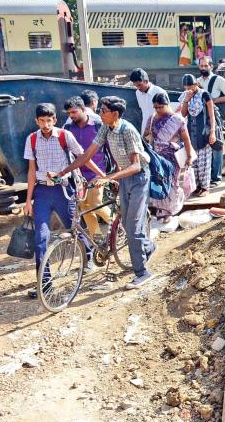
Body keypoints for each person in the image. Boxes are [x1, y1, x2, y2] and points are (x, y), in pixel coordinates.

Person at [54, 96, 156, 290]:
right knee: (126, 223)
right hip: (124, 178)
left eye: (103, 111)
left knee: (133, 229)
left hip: (139, 179)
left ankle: (142, 272)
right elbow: (86, 155)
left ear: (114, 114)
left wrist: (109, 178)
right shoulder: (105, 128)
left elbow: (135, 166)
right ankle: (148, 247)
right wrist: (63, 172)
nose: (99, 113)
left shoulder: (128, 131)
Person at [24, 103, 100, 298]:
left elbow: (83, 157)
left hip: (64, 191)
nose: (46, 124)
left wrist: (103, 175)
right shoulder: (32, 139)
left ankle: (89, 256)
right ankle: (45, 283)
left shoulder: (65, 136)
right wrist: (28, 201)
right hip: (41, 192)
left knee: (74, 229)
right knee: (40, 239)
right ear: (36, 121)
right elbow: (31, 171)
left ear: (55, 120)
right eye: (42, 121)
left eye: (49, 120)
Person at [63, 96, 111, 240]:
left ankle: (117, 225)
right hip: (78, 175)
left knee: (95, 202)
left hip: (98, 172)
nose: (71, 116)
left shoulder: (98, 124)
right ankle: (97, 239)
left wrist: (115, 171)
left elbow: (110, 147)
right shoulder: (68, 128)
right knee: (85, 207)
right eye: (69, 114)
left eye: (74, 112)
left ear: (83, 109)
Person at [144, 93, 194, 221]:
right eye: (156, 107)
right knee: (160, 181)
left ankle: (171, 211)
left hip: (172, 157)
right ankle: (161, 210)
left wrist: (189, 156)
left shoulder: (177, 120)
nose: (158, 110)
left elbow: (186, 139)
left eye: (161, 107)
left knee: (172, 182)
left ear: (167, 105)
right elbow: (145, 135)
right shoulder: (152, 118)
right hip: (156, 157)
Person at [197, 56, 225, 187]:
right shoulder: (197, 81)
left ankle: (216, 177)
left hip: (216, 118)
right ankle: (206, 176)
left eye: (205, 66)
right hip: (203, 118)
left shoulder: (218, 80)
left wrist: (212, 102)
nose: (203, 68)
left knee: (216, 146)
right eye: (201, 66)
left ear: (211, 66)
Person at [178, 74, 216, 197]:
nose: (189, 89)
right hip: (190, 132)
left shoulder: (204, 95)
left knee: (204, 162)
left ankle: (205, 187)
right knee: (193, 161)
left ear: (196, 84)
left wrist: (212, 132)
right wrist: (186, 100)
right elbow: (183, 114)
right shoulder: (185, 96)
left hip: (204, 131)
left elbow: (211, 115)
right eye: (186, 87)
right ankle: (196, 186)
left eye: (191, 86)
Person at [130, 68, 168, 135]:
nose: (138, 88)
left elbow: (167, 113)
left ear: (146, 81)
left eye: (139, 85)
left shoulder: (160, 92)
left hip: (160, 129)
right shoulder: (138, 93)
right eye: (135, 86)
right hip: (145, 130)